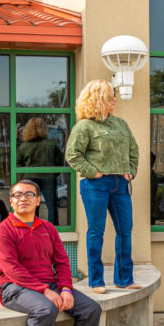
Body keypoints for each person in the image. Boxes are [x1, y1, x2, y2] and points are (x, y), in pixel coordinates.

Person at [0, 179, 102, 326]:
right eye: (18, 195)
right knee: (45, 310)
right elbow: (12, 269)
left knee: (91, 309)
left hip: (47, 285)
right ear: (11, 202)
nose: (23, 198)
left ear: (38, 200)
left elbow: (62, 262)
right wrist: (45, 291)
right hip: (13, 287)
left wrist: (65, 289)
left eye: (29, 194)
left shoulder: (48, 228)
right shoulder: (3, 230)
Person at [65, 80, 140, 294]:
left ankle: (124, 279)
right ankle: (96, 281)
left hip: (120, 183)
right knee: (96, 232)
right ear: (98, 100)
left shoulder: (121, 124)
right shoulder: (84, 126)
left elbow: (133, 150)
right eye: (109, 96)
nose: (114, 99)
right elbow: (72, 156)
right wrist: (94, 172)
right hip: (95, 184)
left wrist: (130, 172)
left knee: (125, 230)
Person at [17, 117, 64, 225]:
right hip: (48, 177)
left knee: (32, 206)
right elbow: (60, 161)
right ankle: (53, 229)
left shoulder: (23, 147)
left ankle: (33, 229)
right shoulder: (51, 145)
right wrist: (54, 174)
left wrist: (24, 177)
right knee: (51, 206)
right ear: (43, 129)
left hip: (30, 179)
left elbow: (18, 164)